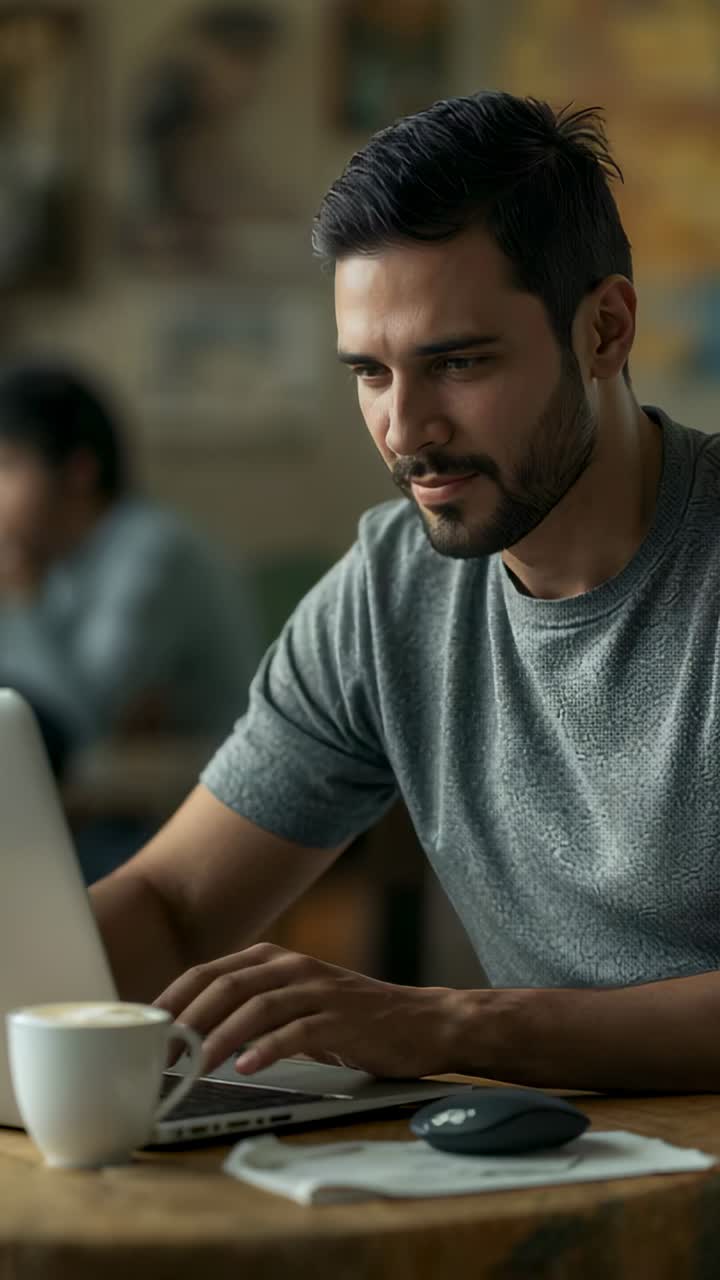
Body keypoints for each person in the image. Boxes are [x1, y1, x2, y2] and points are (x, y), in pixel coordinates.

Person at [91, 90, 720, 1093]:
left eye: (457, 362)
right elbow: (172, 904)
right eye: (371, 373)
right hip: (555, 1161)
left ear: (605, 330)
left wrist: (450, 1025)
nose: (404, 428)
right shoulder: (388, 594)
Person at [0, 359, 259, 772]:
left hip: (214, 791)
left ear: (79, 472)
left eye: (8, 465)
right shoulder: (55, 561)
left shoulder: (154, 555)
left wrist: (23, 601)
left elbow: (81, 725)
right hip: (116, 789)